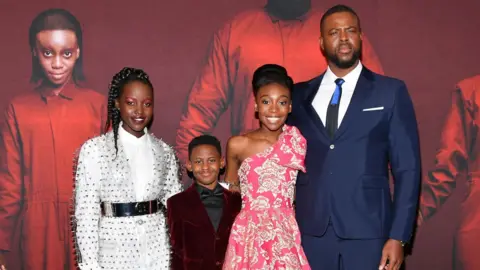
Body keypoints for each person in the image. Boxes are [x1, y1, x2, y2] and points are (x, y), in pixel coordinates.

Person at [175, 0, 385, 172]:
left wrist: (406, 192)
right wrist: (190, 178)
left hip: (322, 179)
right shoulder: (236, 31)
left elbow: (379, 110)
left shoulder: (336, 33)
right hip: (254, 185)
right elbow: (200, 109)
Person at [287, 4, 421, 270]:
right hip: (310, 232)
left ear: (360, 36)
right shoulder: (297, 95)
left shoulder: (390, 91)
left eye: (350, 30)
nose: (343, 37)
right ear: (322, 42)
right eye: (334, 32)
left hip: (370, 232)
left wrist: (399, 236)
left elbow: (408, 169)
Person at [0, 9, 106, 270]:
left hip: (88, 225)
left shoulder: (97, 105)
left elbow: (113, 179)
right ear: (34, 53)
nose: (57, 64)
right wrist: (1, 244)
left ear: (78, 51)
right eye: (48, 53)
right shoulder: (19, 108)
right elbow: (10, 182)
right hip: (37, 228)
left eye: (66, 53)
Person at [73, 67, 183, 270]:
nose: (139, 112)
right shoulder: (94, 150)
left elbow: (176, 207)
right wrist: (90, 265)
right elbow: (86, 215)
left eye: (147, 104)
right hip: (113, 255)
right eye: (131, 103)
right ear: (117, 103)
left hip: (157, 252)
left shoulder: (164, 152)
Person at [222, 64, 310, 269]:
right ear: (255, 106)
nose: (273, 110)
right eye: (265, 101)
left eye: (282, 102)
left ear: (290, 107)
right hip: (248, 234)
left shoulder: (296, 142)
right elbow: (231, 190)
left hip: (286, 231)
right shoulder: (238, 144)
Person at [418, 74, 480, 270]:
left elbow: (447, 164)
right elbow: (448, 164)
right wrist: (416, 213)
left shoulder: (472, 90)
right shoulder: (471, 90)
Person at [167, 134, 242, 269]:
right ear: (189, 165)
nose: (205, 167)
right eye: (198, 161)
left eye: (211, 160)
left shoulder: (237, 201)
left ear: (222, 162)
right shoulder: (176, 203)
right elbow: (177, 253)